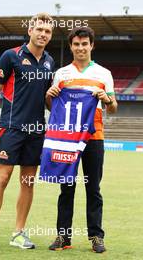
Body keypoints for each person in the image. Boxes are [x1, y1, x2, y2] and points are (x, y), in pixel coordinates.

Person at [0, 13, 54, 252]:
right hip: (11, 129)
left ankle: (18, 233)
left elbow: (46, 100)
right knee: (2, 179)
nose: (43, 34)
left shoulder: (49, 62)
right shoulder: (11, 56)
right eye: (39, 29)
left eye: (48, 31)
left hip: (36, 133)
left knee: (28, 182)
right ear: (30, 31)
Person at [46, 26, 117, 253]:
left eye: (84, 44)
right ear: (71, 46)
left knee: (93, 188)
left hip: (94, 136)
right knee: (66, 188)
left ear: (91, 45)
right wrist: (49, 96)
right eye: (76, 44)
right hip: (67, 138)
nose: (80, 48)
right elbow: (53, 108)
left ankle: (96, 236)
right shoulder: (61, 74)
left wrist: (107, 99)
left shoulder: (104, 74)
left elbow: (113, 109)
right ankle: (63, 237)